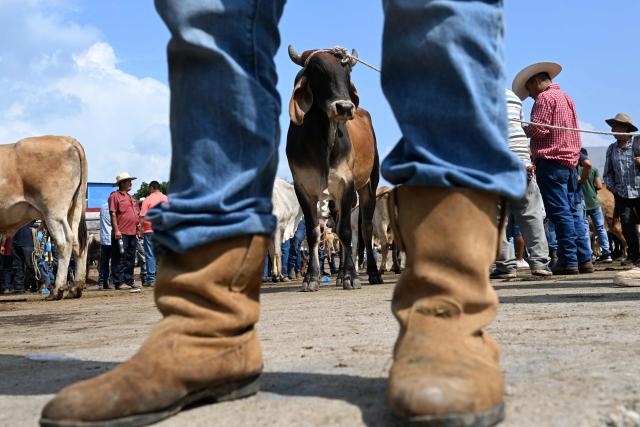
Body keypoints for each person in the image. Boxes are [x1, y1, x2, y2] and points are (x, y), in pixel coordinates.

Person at [41, 2, 525, 427]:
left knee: (440, 8)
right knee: (211, 14)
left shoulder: (356, 119)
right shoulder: (299, 122)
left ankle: (447, 308)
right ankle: (207, 325)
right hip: (304, 148)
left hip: (355, 162)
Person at [513, 62, 593, 275]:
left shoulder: (544, 98)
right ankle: (584, 258)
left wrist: (519, 128)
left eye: (529, 89)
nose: (529, 94)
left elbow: (540, 129)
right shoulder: (566, 97)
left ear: (536, 82)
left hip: (551, 160)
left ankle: (568, 260)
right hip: (570, 161)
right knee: (574, 211)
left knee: (559, 213)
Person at [492, 89, 552, 278]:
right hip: (523, 164)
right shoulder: (513, 97)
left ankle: (505, 266)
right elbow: (520, 127)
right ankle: (540, 263)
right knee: (531, 215)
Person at [601, 113, 640, 286]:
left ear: (625, 129)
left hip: (639, 191)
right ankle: (634, 257)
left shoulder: (638, 143)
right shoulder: (612, 149)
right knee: (627, 225)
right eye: (613, 127)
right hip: (622, 193)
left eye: (616, 127)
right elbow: (607, 173)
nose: (612, 130)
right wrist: (611, 187)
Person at [108, 173, 141, 291]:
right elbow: (112, 214)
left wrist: (138, 227)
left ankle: (129, 280)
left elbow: (136, 214)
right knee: (120, 257)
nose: (130, 183)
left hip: (132, 232)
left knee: (131, 257)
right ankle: (119, 281)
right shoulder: (115, 196)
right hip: (121, 233)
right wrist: (116, 230)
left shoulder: (131, 198)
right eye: (128, 181)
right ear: (122, 183)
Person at [579, 147, 612, 263]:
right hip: (594, 202)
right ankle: (607, 253)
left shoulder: (574, 169)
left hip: (582, 204)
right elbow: (599, 186)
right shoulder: (593, 169)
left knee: (585, 230)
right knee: (601, 228)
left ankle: (588, 255)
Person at [139, 181, 169, 286]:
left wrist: (140, 230)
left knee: (150, 255)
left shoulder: (147, 199)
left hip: (150, 230)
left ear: (151, 188)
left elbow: (142, 216)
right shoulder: (166, 198)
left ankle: (151, 279)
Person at [11, 221, 37, 294]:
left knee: (31, 266)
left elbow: (41, 220)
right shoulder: (13, 212)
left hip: (28, 243)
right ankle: (18, 288)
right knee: (17, 266)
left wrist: (35, 231)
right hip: (15, 243)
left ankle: (42, 283)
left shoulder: (29, 211)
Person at [98, 201, 113, 289]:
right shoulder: (115, 206)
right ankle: (111, 281)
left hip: (104, 238)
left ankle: (101, 282)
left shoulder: (102, 207)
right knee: (115, 262)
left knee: (104, 262)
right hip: (114, 238)